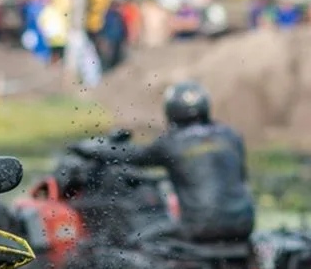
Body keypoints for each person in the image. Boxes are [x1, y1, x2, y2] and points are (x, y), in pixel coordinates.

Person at [70, 82, 255, 244]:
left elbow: (133, 155)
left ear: (171, 110)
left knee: (133, 242)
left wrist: (87, 148)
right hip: (244, 225)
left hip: (200, 228)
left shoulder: (171, 142)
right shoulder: (232, 136)